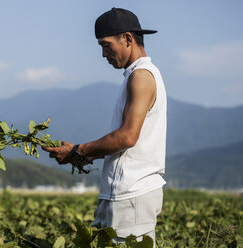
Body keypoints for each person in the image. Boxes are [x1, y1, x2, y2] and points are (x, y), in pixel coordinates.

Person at [43, 7, 166, 246]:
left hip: (132, 196)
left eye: (106, 45)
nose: (102, 54)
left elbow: (127, 137)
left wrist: (79, 150)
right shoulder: (136, 75)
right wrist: (78, 153)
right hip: (122, 195)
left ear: (127, 39)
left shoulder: (141, 76)